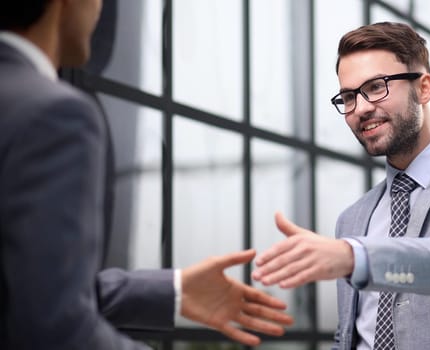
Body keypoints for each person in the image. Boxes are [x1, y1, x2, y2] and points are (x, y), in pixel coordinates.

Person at [0, 0, 293, 349]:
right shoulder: (55, 114)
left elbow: (27, 294)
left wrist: (173, 291)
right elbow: (53, 327)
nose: (100, 10)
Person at [252, 22, 430, 350]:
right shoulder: (352, 218)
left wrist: (355, 257)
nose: (361, 108)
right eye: (348, 96)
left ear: (424, 87)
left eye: (375, 87)